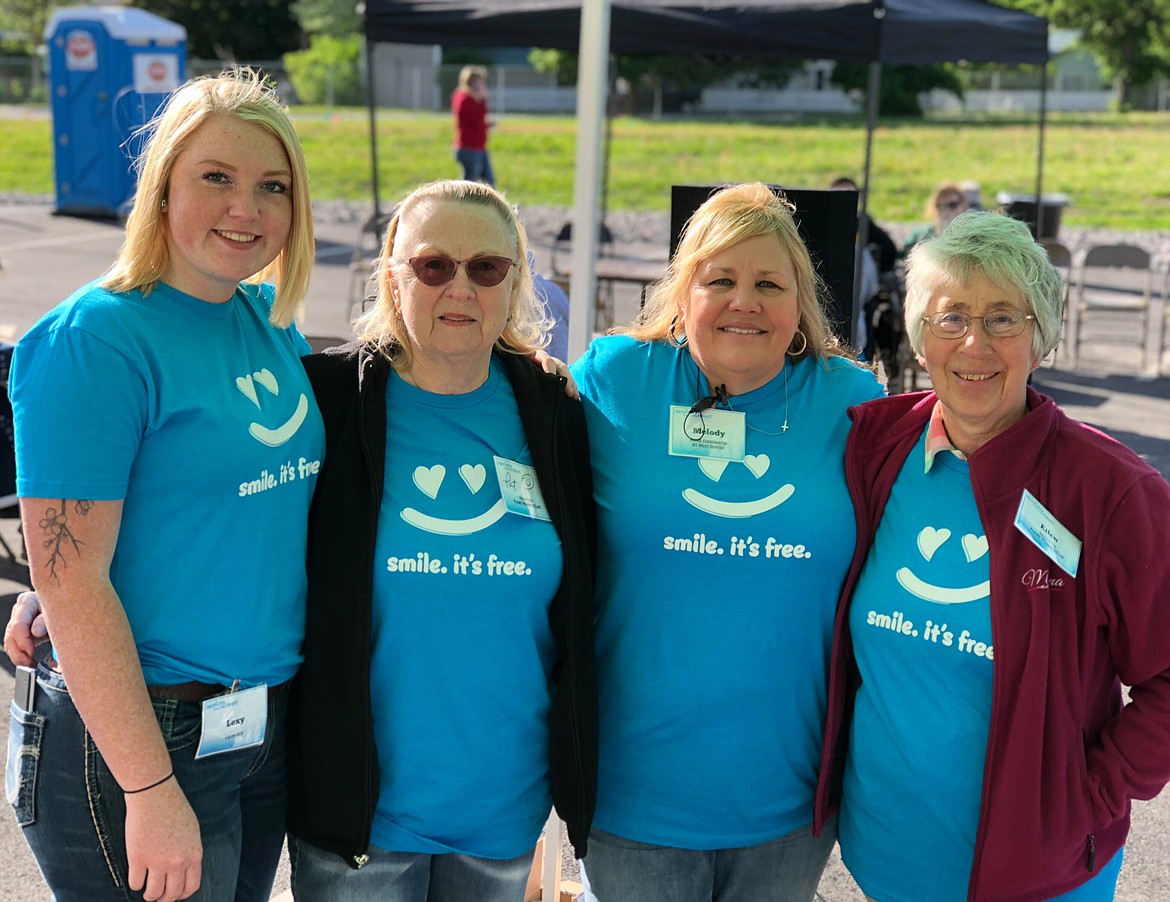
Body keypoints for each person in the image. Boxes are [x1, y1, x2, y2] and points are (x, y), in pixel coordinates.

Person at [4, 68, 323, 902]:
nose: (245, 209)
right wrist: (148, 788)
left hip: (257, 726)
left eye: (271, 186)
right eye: (215, 177)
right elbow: (71, 571)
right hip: (145, 737)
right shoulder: (97, 340)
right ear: (162, 188)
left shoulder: (264, 322)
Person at [814, 211, 1170, 901]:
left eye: (1004, 318)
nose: (974, 341)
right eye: (951, 318)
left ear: (1041, 337)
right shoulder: (876, 447)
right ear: (921, 337)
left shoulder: (1112, 491)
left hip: (1040, 875)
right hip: (885, 859)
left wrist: (1089, 794)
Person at [284, 178, 598, 900]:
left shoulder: (554, 415)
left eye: (485, 268)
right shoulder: (329, 400)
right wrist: (59, 592)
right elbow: (227, 518)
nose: (460, 286)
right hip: (360, 821)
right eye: (433, 265)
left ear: (515, 282)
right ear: (394, 275)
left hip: (502, 812)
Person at [570, 182, 883, 901]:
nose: (745, 301)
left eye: (769, 283)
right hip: (630, 801)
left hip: (787, 807)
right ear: (684, 294)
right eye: (721, 279)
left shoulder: (855, 403)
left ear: (799, 301)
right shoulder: (614, 380)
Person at [451, 65, 495, 186]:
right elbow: (473, 118)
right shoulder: (463, 98)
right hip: (468, 147)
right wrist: (480, 100)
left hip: (479, 146)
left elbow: (480, 121)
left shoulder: (477, 100)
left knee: (489, 181)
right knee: (469, 184)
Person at [902, 180, 970, 255]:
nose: (947, 211)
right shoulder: (920, 235)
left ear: (963, 205)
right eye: (941, 206)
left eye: (952, 205)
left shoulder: (973, 234)